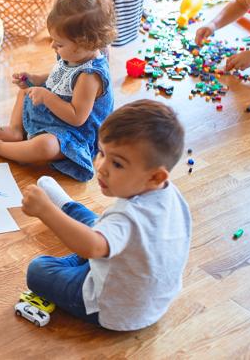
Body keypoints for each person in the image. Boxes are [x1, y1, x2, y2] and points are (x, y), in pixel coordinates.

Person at [22, 100, 191, 331]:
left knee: (39, 270)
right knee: (99, 225)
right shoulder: (169, 193)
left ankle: (61, 213)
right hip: (150, 299)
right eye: (101, 153)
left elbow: (92, 247)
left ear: (155, 177)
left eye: (117, 163)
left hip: (111, 307)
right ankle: (67, 207)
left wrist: (45, 211)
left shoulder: (127, 217)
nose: (101, 167)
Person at [0, 0, 115, 182]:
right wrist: (35, 80)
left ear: (84, 44)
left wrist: (46, 96)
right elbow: (60, 76)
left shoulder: (90, 76)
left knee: (45, 146)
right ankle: (16, 130)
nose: (53, 46)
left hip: (77, 132)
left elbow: (77, 117)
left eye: (59, 43)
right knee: (26, 90)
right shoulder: (75, 55)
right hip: (58, 113)